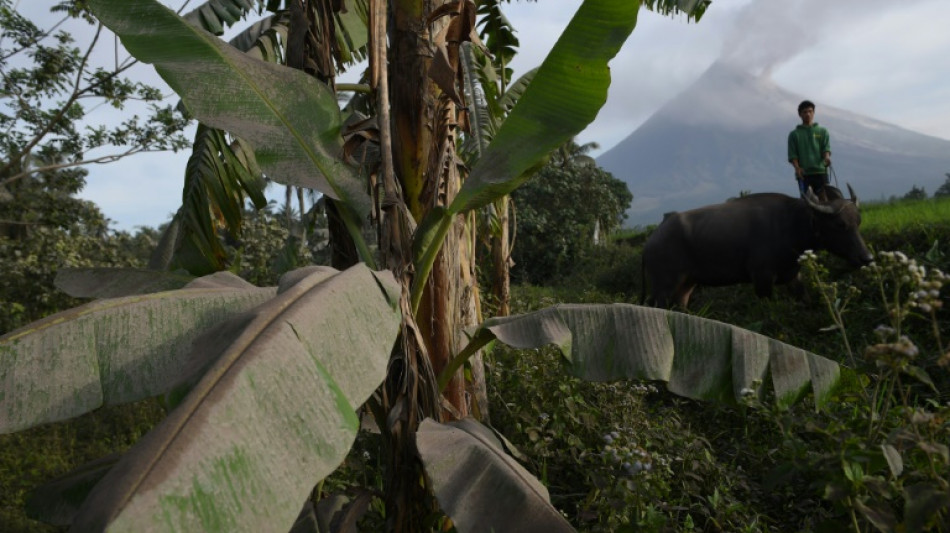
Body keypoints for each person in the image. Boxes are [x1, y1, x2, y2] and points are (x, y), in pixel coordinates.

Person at [787, 100, 831, 197]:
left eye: (810, 111)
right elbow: (793, 155)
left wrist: (827, 158)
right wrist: (797, 168)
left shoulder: (822, 131)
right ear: (800, 114)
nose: (808, 114)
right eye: (805, 112)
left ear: (814, 113)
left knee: (825, 200)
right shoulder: (794, 134)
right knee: (806, 201)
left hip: (821, 172)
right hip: (804, 174)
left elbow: (825, 148)